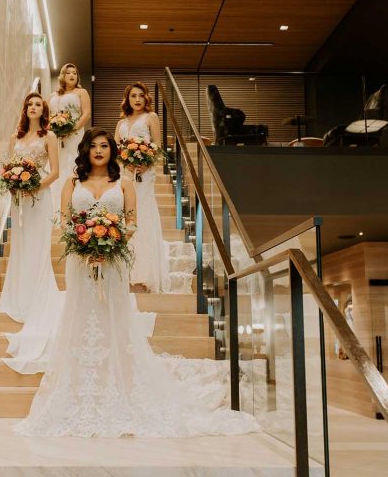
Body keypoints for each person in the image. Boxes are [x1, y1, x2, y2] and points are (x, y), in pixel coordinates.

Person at [14, 128, 259, 437]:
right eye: (94, 146)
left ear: (112, 151)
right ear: (86, 151)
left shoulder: (125, 184)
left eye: (105, 145)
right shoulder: (71, 183)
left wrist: (110, 244)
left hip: (114, 262)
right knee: (79, 319)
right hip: (80, 262)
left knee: (113, 320)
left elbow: (132, 224)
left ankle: (119, 389)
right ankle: (78, 392)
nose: (99, 151)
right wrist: (86, 245)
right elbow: (65, 222)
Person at [0, 93, 64, 374]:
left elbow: (56, 172)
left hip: (39, 197)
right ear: (25, 109)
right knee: (21, 246)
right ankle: (19, 294)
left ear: (43, 110)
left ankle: (37, 295)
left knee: (37, 245)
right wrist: (13, 183)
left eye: (38, 104)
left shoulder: (49, 137)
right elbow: (9, 168)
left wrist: (35, 186)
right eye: (29, 104)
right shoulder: (16, 137)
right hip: (19, 200)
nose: (33, 107)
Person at [115, 82, 170, 293]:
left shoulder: (151, 117)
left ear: (146, 98)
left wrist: (144, 164)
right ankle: (125, 270)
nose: (137, 99)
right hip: (124, 173)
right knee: (125, 214)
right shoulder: (121, 122)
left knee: (143, 214)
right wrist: (125, 163)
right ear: (127, 99)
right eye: (132, 96)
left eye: (140, 96)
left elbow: (157, 146)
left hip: (145, 174)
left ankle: (145, 272)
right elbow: (116, 149)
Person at [49, 63, 91, 214]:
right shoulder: (53, 95)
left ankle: (73, 207)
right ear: (63, 76)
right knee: (56, 165)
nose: (72, 75)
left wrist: (71, 129)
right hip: (56, 136)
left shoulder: (81, 92)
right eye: (68, 73)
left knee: (72, 163)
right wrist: (54, 128)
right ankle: (55, 208)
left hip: (74, 135)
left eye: (75, 73)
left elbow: (86, 114)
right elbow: (48, 116)